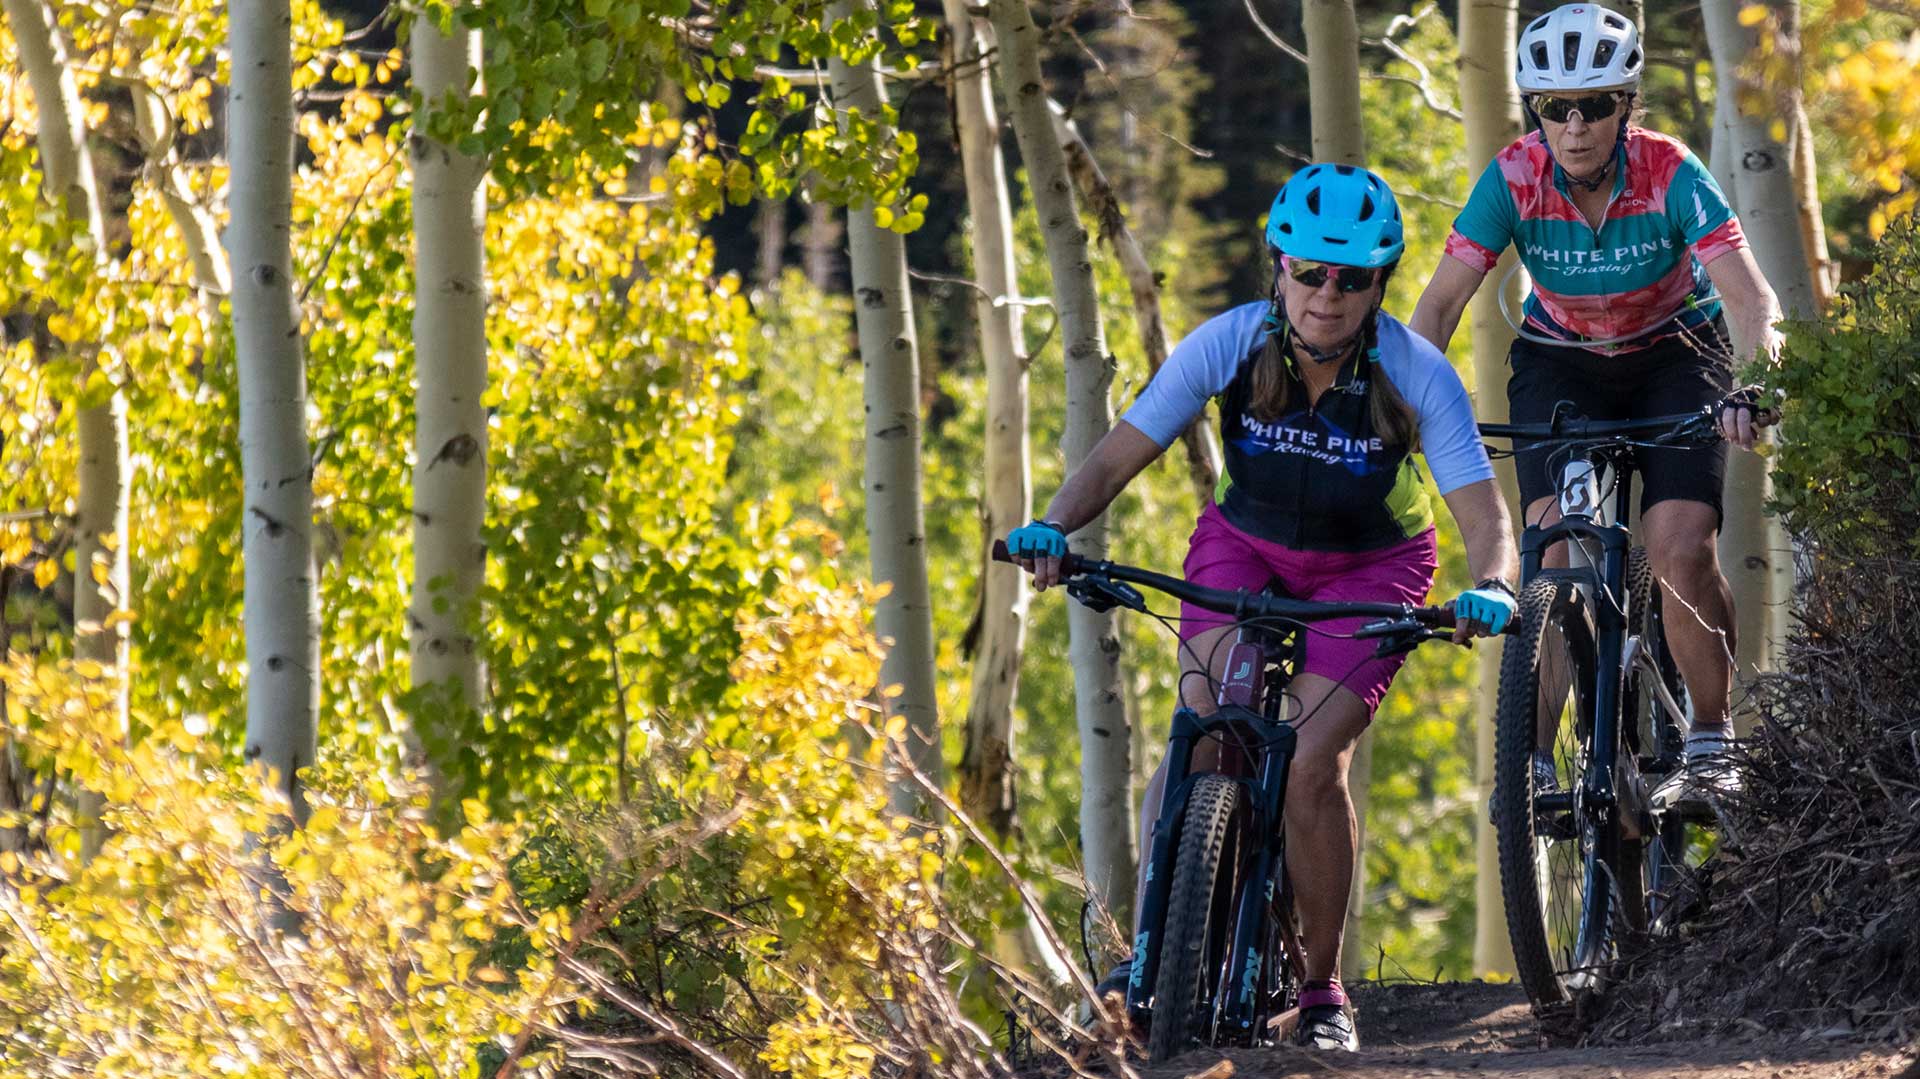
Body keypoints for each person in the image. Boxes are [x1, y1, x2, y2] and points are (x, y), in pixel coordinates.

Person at [1007, 164, 1519, 1051]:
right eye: (1310, 271)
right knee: (1203, 720)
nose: (1327, 295)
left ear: (1379, 283)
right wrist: (1053, 527)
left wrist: (1497, 586)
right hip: (1244, 547)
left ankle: (1322, 992)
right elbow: (1120, 452)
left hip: (1373, 564)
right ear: (1277, 266)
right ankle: (1152, 947)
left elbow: (1484, 513)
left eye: (1351, 277)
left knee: (1316, 759)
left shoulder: (1414, 370)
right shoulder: (1229, 342)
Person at [1408, 2, 1781, 807]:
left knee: (1679, 545)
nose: (1575, 127)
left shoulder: (1673, 170)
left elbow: (1751, 301)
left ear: (1626, 105)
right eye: (1554, 108)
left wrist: (1755, 386)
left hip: (1679, 358)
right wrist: (1398, 407)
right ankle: (1536, 761)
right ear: (1535, 113)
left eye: (1596, 105)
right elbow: (1436, 309)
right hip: (1563, 367)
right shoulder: (1512, 178)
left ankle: (1713, 742)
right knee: (1556, 562)